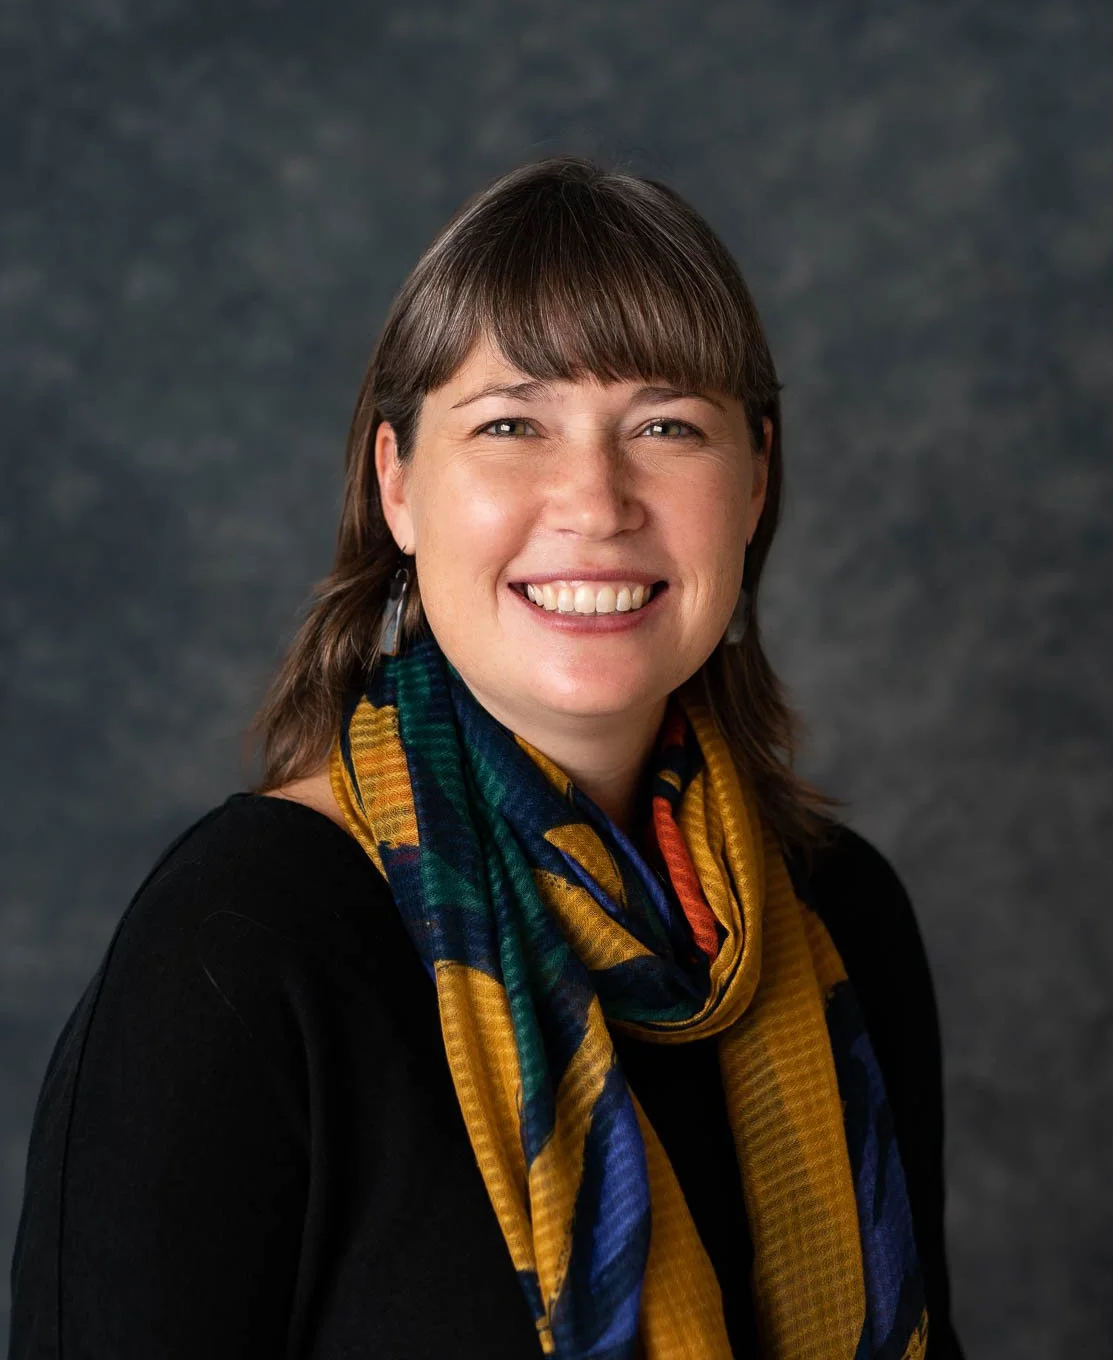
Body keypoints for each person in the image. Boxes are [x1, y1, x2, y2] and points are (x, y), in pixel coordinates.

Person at [9, 155, 965, 1359]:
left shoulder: (838, 910)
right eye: (512, 422)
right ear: (397, 483)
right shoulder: (246, 936)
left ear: (756, 478)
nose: (594, 498)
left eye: (665, 425)